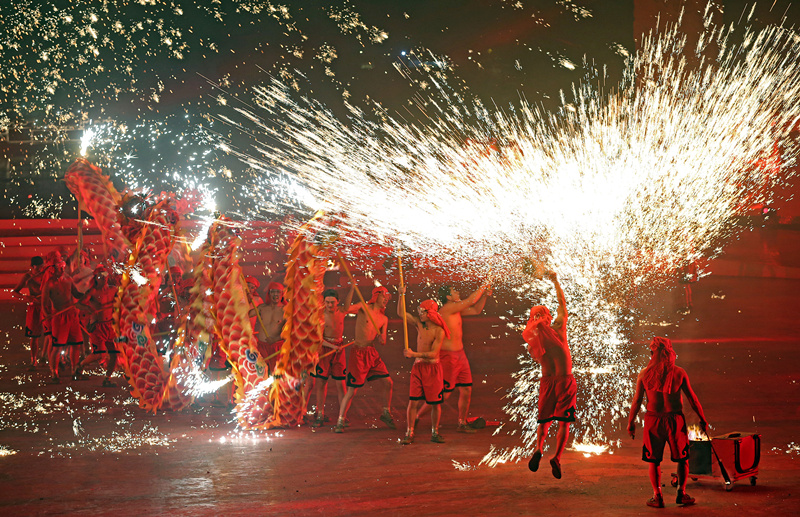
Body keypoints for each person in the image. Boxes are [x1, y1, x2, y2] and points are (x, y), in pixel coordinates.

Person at [627, 336, 709, 508]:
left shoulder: (644, 374)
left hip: (653, 420)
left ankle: (657, 496)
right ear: (669, 352)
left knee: (653, 460)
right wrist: (702, 419)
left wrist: (631, 422)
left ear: (653, 352)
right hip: (674, 420)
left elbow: (637, 401)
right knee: (683, 458)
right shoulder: (679, 373)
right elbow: (692, 399)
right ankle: (681, 492)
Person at [415, 282, 491, 433]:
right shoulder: (447, 309)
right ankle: (416, 416)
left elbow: (475, 309)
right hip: (448, 357)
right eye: (455, 292)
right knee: (445, 394)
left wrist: (485, 296)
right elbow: (471, 301)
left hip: (460, 355)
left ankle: (462, 422)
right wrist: (484, 285)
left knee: (466, 389)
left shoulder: (455, 310)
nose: (458, 293)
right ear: (449, 297)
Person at [523, 270, 575, 480]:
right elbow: (562, 304)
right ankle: (557, 457)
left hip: (547, 382)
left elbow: (535, 356)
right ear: (547, 315)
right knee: (564, 422)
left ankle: (538, 448)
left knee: (543, 421)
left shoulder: (533, 338)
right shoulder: (558, 327)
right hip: (565, 381)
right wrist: (555, 280)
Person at [334, 285, 395, 433]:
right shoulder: (363, 307)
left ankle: (386, 412)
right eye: (384, 296)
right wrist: (353, 288)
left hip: (371, 352)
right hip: (358, 353)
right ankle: (340, 420)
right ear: (377, 296)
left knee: (388, 383)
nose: (386, 300)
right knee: (352, 391)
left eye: (387, 298)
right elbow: (346, 309)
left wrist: (382, 338)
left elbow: (383, 340)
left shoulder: (383, 318)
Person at [397, 287, 447, 445]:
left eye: (423, 312)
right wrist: (401, 294)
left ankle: (435, 432)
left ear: (430, 313)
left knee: (435, 403)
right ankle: (409, 432)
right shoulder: (419, 324)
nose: (420, 314)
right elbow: (401, 314)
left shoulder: (439, 331)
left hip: (433, 369)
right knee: (413, 402)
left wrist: (414, 354)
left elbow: (433, 354)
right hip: (418, 368)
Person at [310, 285, 354, 427]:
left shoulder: (342, 312)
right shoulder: (320, 315)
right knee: (321, 383)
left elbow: (348, 304)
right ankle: (320, 413)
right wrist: (332, 347)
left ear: (337, 302)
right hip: (325, 350)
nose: (329, 305)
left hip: (339, 350)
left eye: (332, 302)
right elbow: (318, 338)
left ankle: (343, 415)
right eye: (327, 302)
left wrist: (352, 287)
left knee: (341, 384)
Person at [72, 265, 119, 386]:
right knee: (99, 354)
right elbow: (79, 304)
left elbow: (121, 301)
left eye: (105, 275)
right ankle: (81, 365)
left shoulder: (114, 289)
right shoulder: (93, 291)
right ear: (96, 278)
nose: (104, 278)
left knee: (114, 354)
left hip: (110, 326)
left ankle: (107, 379)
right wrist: (88, 308)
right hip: (97, 327)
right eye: (101, 276)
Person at [41, 260, 85, 383]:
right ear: (53, 269)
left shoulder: (68, 279)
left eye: (63, 267)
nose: (61, 270)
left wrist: (87, 295)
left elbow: (76, 293)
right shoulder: (49, 284)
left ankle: (74, 370)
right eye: (59, 268)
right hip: (59, 318)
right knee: (57, 347)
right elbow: (44, 305)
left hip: (72, 315)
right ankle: (54, 372)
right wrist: (48, 316)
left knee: (76, 344)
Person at [13, 256, 46, 370]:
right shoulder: (27, 277)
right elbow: (15, 292)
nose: (41, 269)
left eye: (42, 267)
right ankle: (34, 360)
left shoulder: (46, 275)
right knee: (34, 336)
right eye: (38, 268)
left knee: (52, 333)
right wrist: (26, 297)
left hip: (46, 306)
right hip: (34, 308)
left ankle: (51, 358)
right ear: (32, 267)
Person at [251, 281, 286, 374]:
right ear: (269, 294)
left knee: (276, 374)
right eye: (273, 292)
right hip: (261, 346)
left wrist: (275, 340)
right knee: (260, 373)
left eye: (278, 292)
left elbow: (289, 331)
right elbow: (247, 314)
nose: (275, 294)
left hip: (277, 347)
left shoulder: (286, 310)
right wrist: (248, 297)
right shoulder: (262, 308)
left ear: (282, 294)